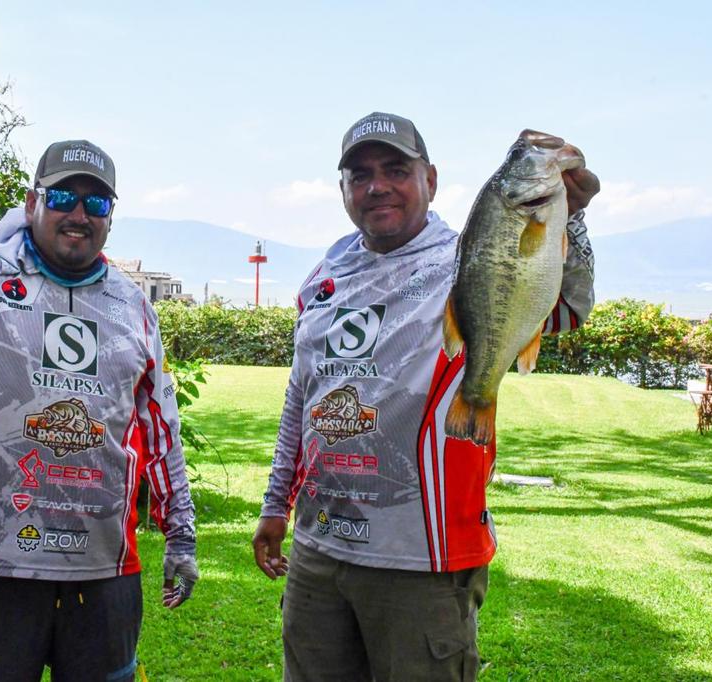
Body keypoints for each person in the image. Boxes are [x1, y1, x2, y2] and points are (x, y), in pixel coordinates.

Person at [251, 112, 600, 681]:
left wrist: (572, 221)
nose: (377, 185)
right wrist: (274, 506)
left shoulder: (471, 255)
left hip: (424, 558)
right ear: (342, 190)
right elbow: (301, 398)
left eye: (396, 169)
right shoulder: (322, 275)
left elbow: (563, 311)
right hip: (318, 549)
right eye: (359, 174)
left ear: (430, 180)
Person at [0, 140, 198, 681]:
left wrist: (180, 533)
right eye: (63, 195)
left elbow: (161, 427)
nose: (79, 213)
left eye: (97, 203)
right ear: (31, 202)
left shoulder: (133, 306)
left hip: (103, 570)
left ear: (111, 216)